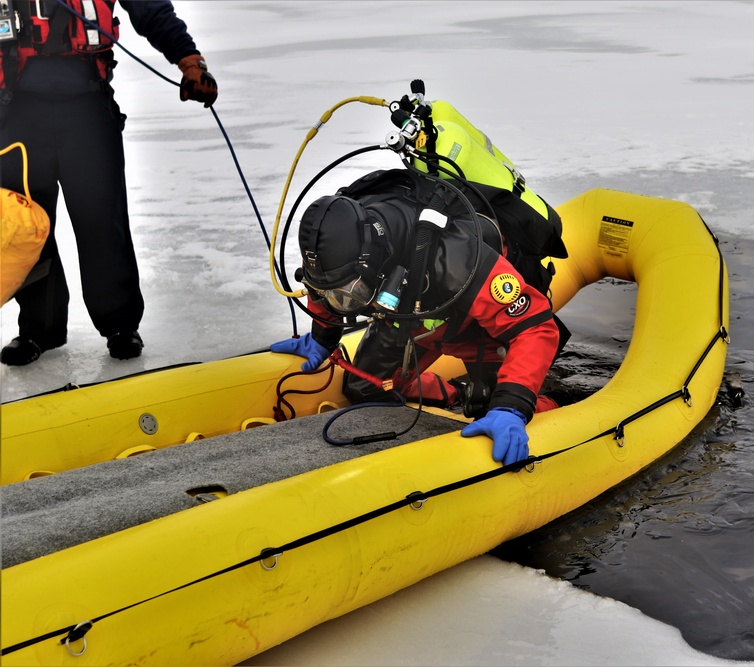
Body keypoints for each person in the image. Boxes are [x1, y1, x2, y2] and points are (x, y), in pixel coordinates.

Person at [271, 168, 565, 467]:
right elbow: (322, 290)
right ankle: (453, 393)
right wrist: (322, 337)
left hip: (475, 330)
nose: (341, 303)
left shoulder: (455, 257)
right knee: (364, 388)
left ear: (372, 265)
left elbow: (535, 328)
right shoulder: (338, 248)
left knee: (494, 405)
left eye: (351, 293)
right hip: (408, 321)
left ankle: (556, 407)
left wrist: (512, 407)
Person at [0, 0, 218, 366]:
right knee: (27, 225)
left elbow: (152, 10)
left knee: (102, 218)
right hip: (16, 112)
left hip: (88, 107)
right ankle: (39, 328)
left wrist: (189, 60)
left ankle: (120, 324)